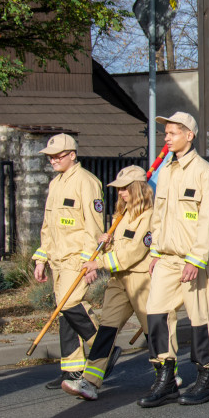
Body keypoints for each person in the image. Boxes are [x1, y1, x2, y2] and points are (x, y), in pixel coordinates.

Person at [139, 112, 209, 408]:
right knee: (156, 313)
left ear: (190, 135)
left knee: (201, 319)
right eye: (165, 133)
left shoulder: (204, 172)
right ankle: (164, 378)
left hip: (192, 260)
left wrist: (197, 259)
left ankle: (205, 377)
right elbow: (158, 216)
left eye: (173, 132)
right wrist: (155, 252)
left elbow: (207, 220)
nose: (167, 137)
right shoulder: (167, 170)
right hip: (166, 258)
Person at [62, 166, 160, 400]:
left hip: (140, 279)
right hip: (119, 280)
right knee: (107, 327)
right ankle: (90, 381)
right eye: (119, 189)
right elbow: (119, 249)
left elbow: (134, 252)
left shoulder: (149, 216)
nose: (121, 193)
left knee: (152, 329)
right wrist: (106, 243)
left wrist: (100, 262)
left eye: (125, 189)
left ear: (137, 189)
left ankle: (166, 374)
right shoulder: (123, 215)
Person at [32, 133, 103, 389]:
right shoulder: (56, 183)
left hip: (77, 258)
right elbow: (48, 226)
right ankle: (72, 369)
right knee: (65, 313)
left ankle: (103, 348)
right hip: (57, 260)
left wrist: (90, 261)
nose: (53, 160)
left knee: (71, 303)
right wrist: (41, 257)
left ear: (72, 155)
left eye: (58, 156)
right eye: (50, 157)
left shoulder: (87, 182)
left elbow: (95, 226)